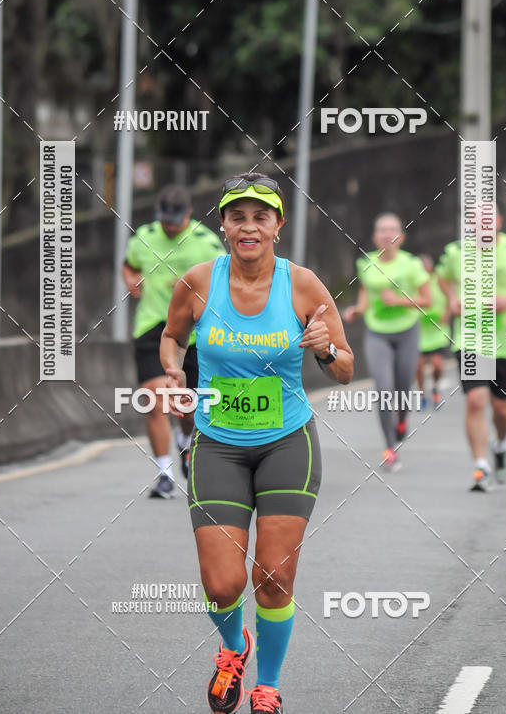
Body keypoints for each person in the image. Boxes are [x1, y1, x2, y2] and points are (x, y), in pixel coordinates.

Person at [160, 173, 353, 714]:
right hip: (218, 444)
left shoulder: (304, 285)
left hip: (287, 444)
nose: (249, 226)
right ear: (223, 225)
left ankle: (267, 684)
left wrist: (324, 351)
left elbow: (345, 368)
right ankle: (232, 647)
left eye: (260, 216)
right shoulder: (198, 281)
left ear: (277, 225)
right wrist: (174, 373)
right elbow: (172, 336)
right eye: (237, 216)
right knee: (222, 585)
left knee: (272, 576)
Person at [122, 184, 225, 498]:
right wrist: (130, 279)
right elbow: (129, 265)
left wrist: (194, 291)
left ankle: (184, 442)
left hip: (191, 333)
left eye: (174, 221)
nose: (168, 226)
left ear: (189, 215)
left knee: (187, 405)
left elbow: (226, 280)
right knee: (154, 400)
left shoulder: (206, 243)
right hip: (151, 326)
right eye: (164, 219)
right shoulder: (143, 236)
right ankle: (164, 473)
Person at [437, 206, 506, 491]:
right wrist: (451, 299)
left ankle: (499, 445)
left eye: (486, 220)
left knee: (501, 408)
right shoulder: (455, 252)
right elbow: (443, 277)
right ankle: (480, 466)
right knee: (476, 400)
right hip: (470, 339)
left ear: (498, 221)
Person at [343, 213, 431, 470]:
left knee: (403, 388)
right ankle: (390, 448)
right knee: (383, 389)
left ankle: (401, 421)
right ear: (375, 237)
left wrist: (399, 301)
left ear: (401, 237)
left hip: (406, 330)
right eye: (382, 230)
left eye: (392, 230)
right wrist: (358, 309)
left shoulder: (411, 265)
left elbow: (428, 300)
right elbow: (366, 292)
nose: (387, 234)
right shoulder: (366, 263)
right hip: (377, 332)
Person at [416, 254, 451, 409]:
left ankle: (435, 387)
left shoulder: (439, 281)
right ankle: (422, 393)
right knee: (418, 366)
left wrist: (447, 313)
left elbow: (451, 297)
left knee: (437, 366)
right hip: (419, 331)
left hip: (437, 330)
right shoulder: (413, 282)